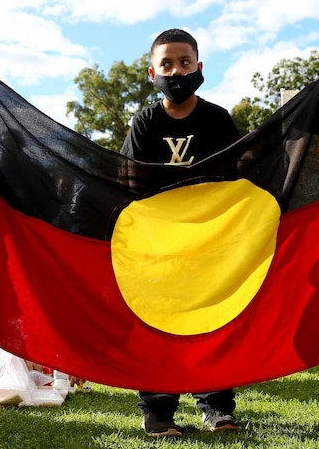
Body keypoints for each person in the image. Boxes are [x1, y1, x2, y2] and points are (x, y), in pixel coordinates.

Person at [120, 28, 242, 437]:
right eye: (167, 64)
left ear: (200, 68)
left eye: (185, 63)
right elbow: (129, 185)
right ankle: (158, 411)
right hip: (159, 247)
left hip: (209, 244)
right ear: (151, 72)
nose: (176, 71)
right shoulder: (144, 123)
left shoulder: (218, 120)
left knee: (213, 322)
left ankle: (217, 407)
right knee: (157, 326)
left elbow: (237, 179)